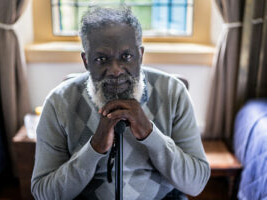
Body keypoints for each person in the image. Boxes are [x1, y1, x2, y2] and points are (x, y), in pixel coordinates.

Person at [31, 6, 210, 200]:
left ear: (140, 55)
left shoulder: (173, 92)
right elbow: (44, 193)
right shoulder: (59, 102)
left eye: (126, 56)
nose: (115, 70)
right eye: (101, 59)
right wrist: (94, 148)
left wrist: (150, 134)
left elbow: (196, 184)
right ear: (86, 60)